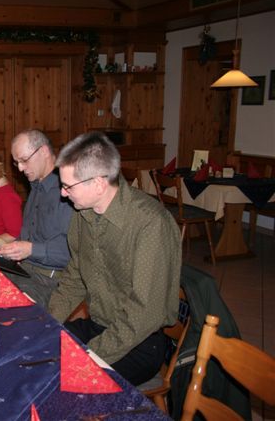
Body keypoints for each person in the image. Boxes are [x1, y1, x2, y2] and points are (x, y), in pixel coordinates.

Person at [49, 131, 181, 386]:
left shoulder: (150, 224)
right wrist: (48, 323)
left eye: (68, 186)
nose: (63, 194)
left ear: (98, 184)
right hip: (99, 326)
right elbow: (75, 277)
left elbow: (144, 314)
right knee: (36, 349)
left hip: (139, 343)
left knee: (61, 382)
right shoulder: (83, 215)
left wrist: (90, 354)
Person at [0, 129, 73, 306]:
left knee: (3, 308)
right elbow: (29, 236)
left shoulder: (67, 190)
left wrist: (30, 249)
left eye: (24, 160)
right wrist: (11, 249)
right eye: (17, 163)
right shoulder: (37, 186)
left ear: (44, 151)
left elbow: (72, 254)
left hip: (50, 280)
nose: (20, 168)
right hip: (25, 270)